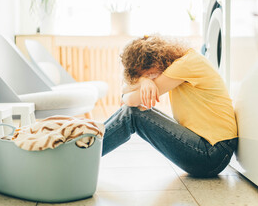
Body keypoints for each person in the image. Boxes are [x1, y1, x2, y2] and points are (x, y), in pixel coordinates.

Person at [102, 35, 238, 177]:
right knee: (133, 111)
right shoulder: (183, 61)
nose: (152, 78)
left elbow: (131, 101)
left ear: (155, 61)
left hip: (212, 153)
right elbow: (126, 89)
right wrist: (143, 80)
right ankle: (87, 145)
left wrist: (138, 86)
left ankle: (85, 152)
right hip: (213, 151)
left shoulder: (185, 65)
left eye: (149, 74)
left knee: (133, 114)